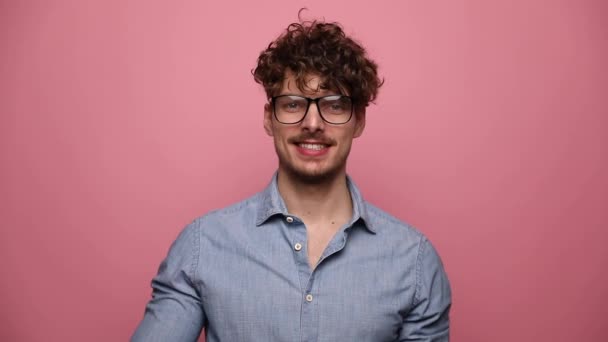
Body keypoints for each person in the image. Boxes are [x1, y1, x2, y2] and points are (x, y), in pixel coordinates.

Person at [132, 17, 451, 342]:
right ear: (270, 118)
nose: (312, 123)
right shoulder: (203, 245)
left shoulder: (414, 261)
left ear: (359, 122)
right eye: (293, 104)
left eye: (335, 105)